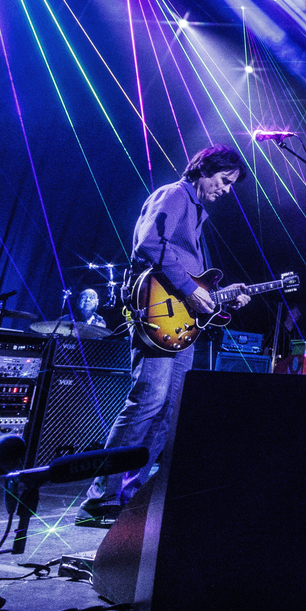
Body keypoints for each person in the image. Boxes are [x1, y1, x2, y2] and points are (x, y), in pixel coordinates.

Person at [78, 146, 251, 524]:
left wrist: (219, 298)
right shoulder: (174, 195)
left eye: (231, 185)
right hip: (157, 318)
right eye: (224, 181)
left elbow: (192, 277)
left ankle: (131, 496)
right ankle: (98, 500)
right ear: (204, 169)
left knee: (168, 412)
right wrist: (191, 291)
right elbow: (148, 245)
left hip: (181, 327)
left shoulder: (198, 213)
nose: (225, 190)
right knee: (145, 404)